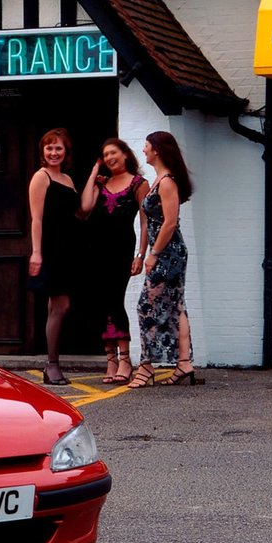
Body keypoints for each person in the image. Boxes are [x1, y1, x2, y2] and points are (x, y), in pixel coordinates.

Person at [128, 131, 196, 388]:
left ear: (157, 149)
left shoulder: (167, 182)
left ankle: (146, 367)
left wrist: (153, 255)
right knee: (177, 306)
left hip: (168, 253)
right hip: (170, 252)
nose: (143, 150)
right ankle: (184, 362)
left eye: (146, 145)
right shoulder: (160, 179)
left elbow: (169, 223)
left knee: (146, 306)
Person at [80, 138, 148, 384]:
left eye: (113, 153)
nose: (109, 158)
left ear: (125, 154)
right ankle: (110, 359)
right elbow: (86, 206)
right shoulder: (102, 182)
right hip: (96, 250)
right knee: (100, 303)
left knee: (115, 301)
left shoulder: (139, 183)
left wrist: (140, 254)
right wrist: (93, 171)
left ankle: (125, 360)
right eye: (105, 155)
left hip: (121, 249)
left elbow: (145, 221)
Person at [28, 128, 80, 385]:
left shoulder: (68, 180)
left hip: (67, 249)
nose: (54, 152)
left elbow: (80, 212)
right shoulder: (41, 177)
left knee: (55, 306)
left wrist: (94, 177)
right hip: (50, 249)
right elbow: (36, 219)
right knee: (62, 305)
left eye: (58, 148)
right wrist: (36, 253)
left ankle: (53, 365)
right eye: (49, 148)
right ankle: (51, 365)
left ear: (65, 151)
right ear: (43, 151)